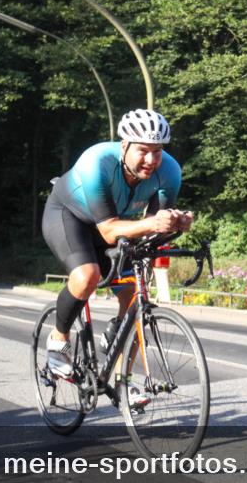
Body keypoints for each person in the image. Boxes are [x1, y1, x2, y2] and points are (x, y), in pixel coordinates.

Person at [41, 109, 193, 406]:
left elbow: (152, 230)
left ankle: (124, 381)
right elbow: (110, 231)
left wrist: (176, 224)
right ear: (124, 146)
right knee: (87, 276)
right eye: (143, 151)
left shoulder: (170, 172)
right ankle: (58, 340)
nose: (151, 160)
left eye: (158, 151)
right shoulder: (96, 162)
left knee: (135, 297)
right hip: (68, 217)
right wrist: (152, 223)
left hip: (115, 225)